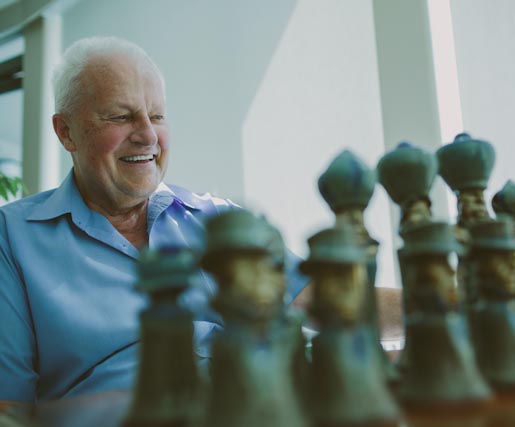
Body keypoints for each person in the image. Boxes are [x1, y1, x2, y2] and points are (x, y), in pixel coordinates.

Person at [0, 36, 310, 403]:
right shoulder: (12, 237)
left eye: (157, 116)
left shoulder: (220, 220)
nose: (148, 136)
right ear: (66, 131)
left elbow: (325, 296)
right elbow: (10, 408)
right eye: (120, 116)